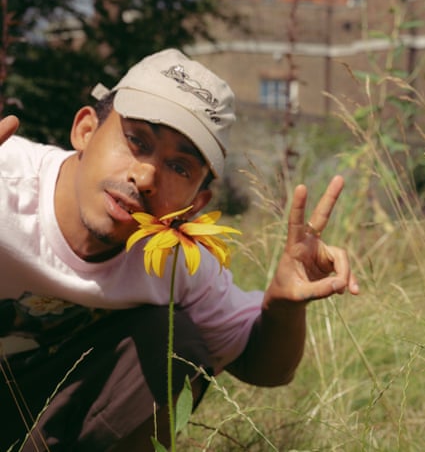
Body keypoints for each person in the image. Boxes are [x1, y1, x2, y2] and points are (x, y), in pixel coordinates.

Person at [0, 48, 359, 451]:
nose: (147, 175)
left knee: (175, 341)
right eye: (136, 140)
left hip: (38, 427)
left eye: (180, 167)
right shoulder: (5, 180)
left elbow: (264, 367)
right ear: (85, 130)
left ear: (197, 203)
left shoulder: (178, 258)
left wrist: (285, 305)